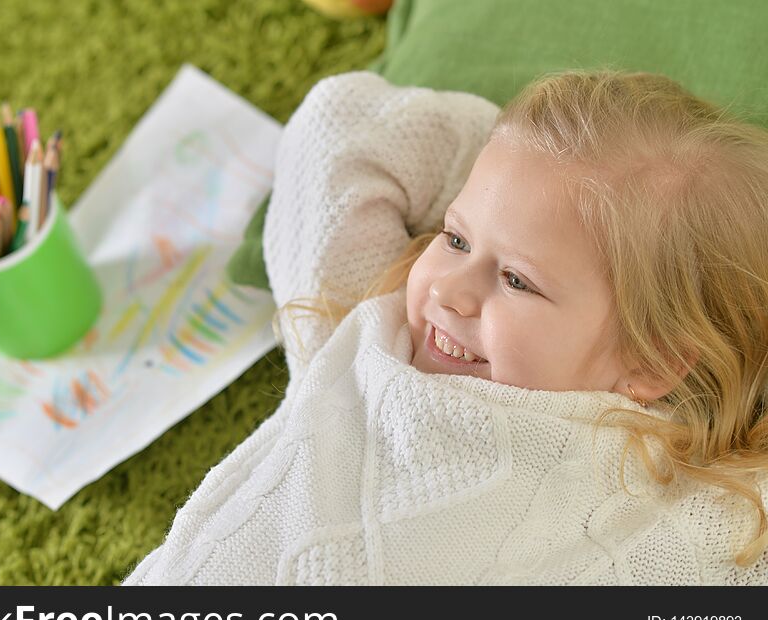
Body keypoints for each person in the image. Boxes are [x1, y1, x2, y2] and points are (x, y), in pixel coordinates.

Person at [124, 69, 768, 585]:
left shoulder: (673, 498)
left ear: (652, 361)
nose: (452, 291)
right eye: (454, 237)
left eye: (517, 280)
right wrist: (526, 152)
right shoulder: (356, 334)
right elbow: (337, 119)